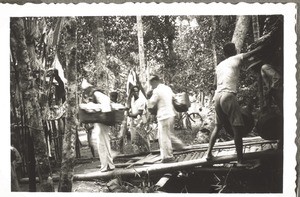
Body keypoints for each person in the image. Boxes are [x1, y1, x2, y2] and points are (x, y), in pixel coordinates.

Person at [205, 43, 264, 166]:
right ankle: (240, 160)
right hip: (228, 96)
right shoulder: (236, 58)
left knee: (217, 126)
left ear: (224, 54)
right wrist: (264, 46)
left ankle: (208, 154)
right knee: (237, 129)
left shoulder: (219, 65)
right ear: (235, 51)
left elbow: (215, 84)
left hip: (217, 97)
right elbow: (252, 53)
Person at [147, 75, 184, 163]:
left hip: (163, 115)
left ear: (155, 81)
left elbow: (151, 104)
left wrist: (148, 99)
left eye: (151, 84)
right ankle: (179, 145)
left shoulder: (157, 91)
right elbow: (174, 97)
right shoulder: (167, 88)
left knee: (164, 137)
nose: (151, 86)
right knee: (168, 134)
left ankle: (168, 157)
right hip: (170, 114)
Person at [82, 81, 115, 172]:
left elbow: (105, 107)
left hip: (102, 121)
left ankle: (106, 166)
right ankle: (108, 164)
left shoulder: (97, 94)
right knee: (103, 143)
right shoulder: (97, 95)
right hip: (101, 121)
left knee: (102, 144)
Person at [127, 86, 150, 153]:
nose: (136, 93)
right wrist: (129, 96)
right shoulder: (132, 100)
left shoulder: (141, 101)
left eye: (137, 91)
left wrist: (129, 114)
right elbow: (128, 106)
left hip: (141, 120)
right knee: (134, 139)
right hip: (133, 121)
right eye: (134, 91)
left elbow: (139, 113)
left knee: (143, 138)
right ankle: (137, 153)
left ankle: (147, 152)